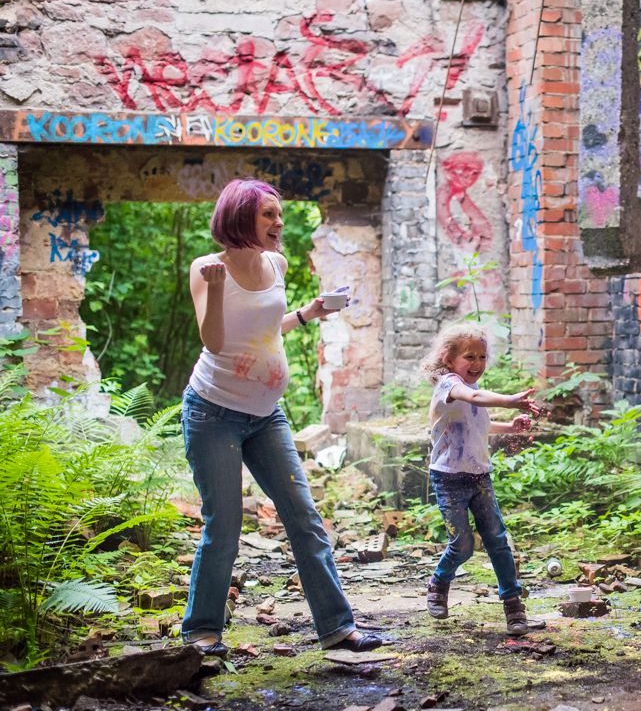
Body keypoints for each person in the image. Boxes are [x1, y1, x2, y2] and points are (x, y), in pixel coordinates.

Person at [180, 178, 381, 656]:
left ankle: (338, 627)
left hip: (266, 416)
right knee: (224, 526)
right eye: (268, 214)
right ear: (241, 216)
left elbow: (266, 327)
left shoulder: (277, 264)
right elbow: (214, 340)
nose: (278, 222)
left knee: (304, 517)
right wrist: (213, 289)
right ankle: (202, 632)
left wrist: (308, 312)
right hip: (213, 413)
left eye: (279, 214)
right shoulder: (207, 269)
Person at [418, 323, 543, 636]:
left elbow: (479, 425)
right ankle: (439, 583)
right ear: (449, 359)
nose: (476, 363)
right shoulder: (449, 384)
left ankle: (513, 605)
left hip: (479, 477)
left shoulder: (471, 394)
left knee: (498, 541)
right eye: (469, 356)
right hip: (448, 479)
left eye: (482, 357)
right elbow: (473, 397)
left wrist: (510, 426)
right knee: (462, 546)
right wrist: (509, 399)